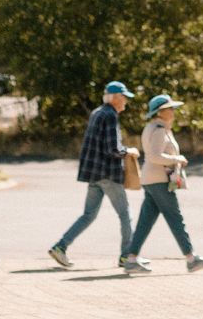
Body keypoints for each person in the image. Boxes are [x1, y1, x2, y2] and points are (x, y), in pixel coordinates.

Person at [48, 80, 145, 272]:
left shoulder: (97, 112)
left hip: (94, 175)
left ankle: (61, 247)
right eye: (124, 97)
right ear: (116, 98)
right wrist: (130, 151)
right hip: (108, 174)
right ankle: (127, 256)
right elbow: (113, 149)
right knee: (125, 215)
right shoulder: (110, 116)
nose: (125, 101)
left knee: (88, 215)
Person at [127, 94, 203, 271]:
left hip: (150, 180)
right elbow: (155, 156)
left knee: (145, 221)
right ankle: (191, 258)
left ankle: (131, 259)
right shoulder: (159, 130)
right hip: (159, 180)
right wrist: (177, 159)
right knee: (175, 218)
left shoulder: (152, 127)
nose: (173, 111)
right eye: (170, 108)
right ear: (161, 112)